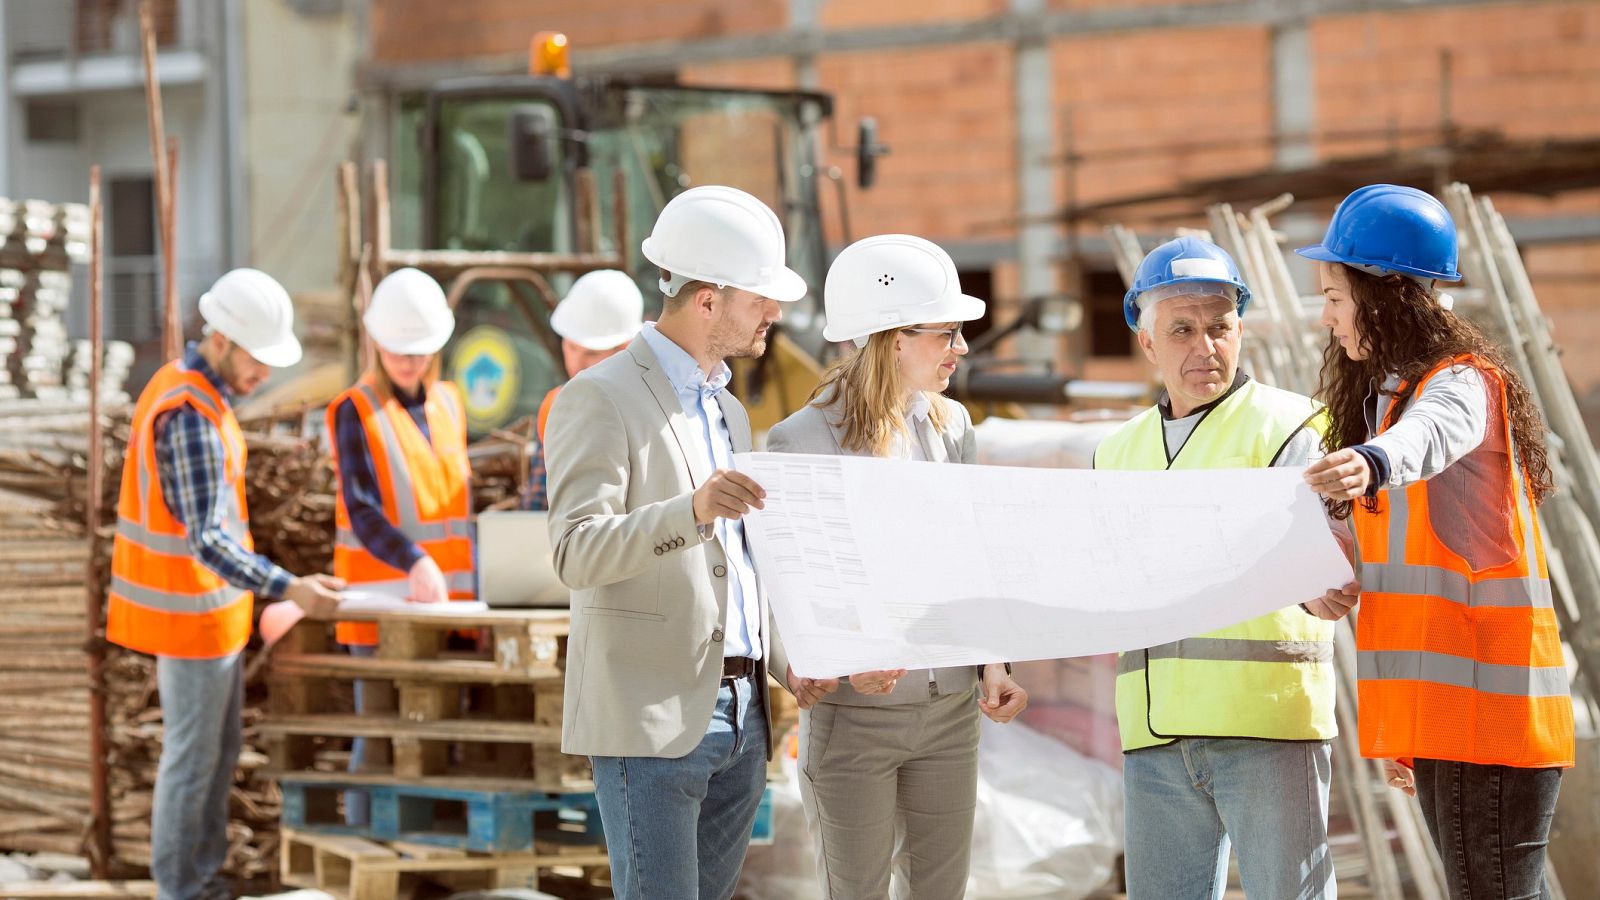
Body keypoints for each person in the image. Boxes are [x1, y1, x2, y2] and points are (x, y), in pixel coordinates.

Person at [1300, 184, 1574, 899]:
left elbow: (1428, 439)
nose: (1325, 315)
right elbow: (1397, 551)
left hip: (1486, 719)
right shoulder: (1393, 397)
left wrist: (1376, 462)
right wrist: (1331, 579)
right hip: (1457, 721)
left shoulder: (1459, 388)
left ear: (1386, 295)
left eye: (1334, 294)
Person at [543, 185, 805, 900]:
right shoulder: (598, 397)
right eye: (760, 299)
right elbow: (574, 551)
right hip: (651, 723)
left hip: (743, 716)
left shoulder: (728, 410)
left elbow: (743, 570)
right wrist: (688, 511)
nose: (774, 315)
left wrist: (790, 666)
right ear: (709, 299)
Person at [765, 234, 1029, 898]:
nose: (961, 348)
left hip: (950, 714)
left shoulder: (953, 426)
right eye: (946, 333)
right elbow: (781, 583)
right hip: (856, 721)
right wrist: (828, 656)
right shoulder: (800, 441)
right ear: (890, 337)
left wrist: (993, 664)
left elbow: (972, 560)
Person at [1094, 237, 1357, 900]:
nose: (1204, 347)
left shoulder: (1295, 428)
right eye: (1181, 330)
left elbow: (1332, 554)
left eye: (1219, 327)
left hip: (1265, 727)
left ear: (1241, 329)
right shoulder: (1115, 453)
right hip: (1155, 737)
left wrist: (1329, 578)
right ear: (1147, 342)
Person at [106, 268, 344, 900]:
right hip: (189, 620)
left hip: (209, 618)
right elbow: (207, 541)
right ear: (221, 340)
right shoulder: (189, 413)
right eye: (257, 359)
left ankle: (199, 882)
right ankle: (184, 889)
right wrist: (290, 587)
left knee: (207, 759)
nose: (265, 374)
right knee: (192, 763)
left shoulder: (192, 393)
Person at [326, 267, 474, 825]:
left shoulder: (450, 404)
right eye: (397, 352)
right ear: (377, 345)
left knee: (435, 735)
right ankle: (368, 842)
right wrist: (414, 560)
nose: (409, 362)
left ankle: (421, 850)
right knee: (381, 733)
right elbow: (360, 508)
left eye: (419, 352)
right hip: (381, 603)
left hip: (450, 604)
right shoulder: (354, 409)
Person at [520, 269, 644, 510]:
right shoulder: (555, 405)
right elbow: (539, 503)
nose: (576, 364)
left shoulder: (653, 406)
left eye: (591, 353)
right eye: (571, 348)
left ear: (625, 348)